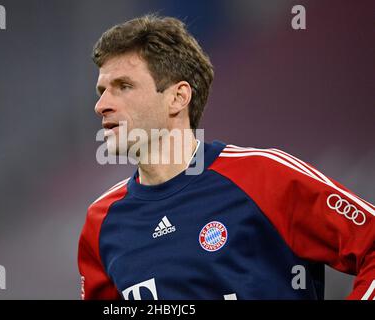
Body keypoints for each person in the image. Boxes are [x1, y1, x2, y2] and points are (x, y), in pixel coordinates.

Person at [78, 14, 374, 300]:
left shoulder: (264, 177)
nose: (101, 105)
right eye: (102, 91)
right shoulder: (101, 223)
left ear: (178, 97)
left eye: (124, 86)